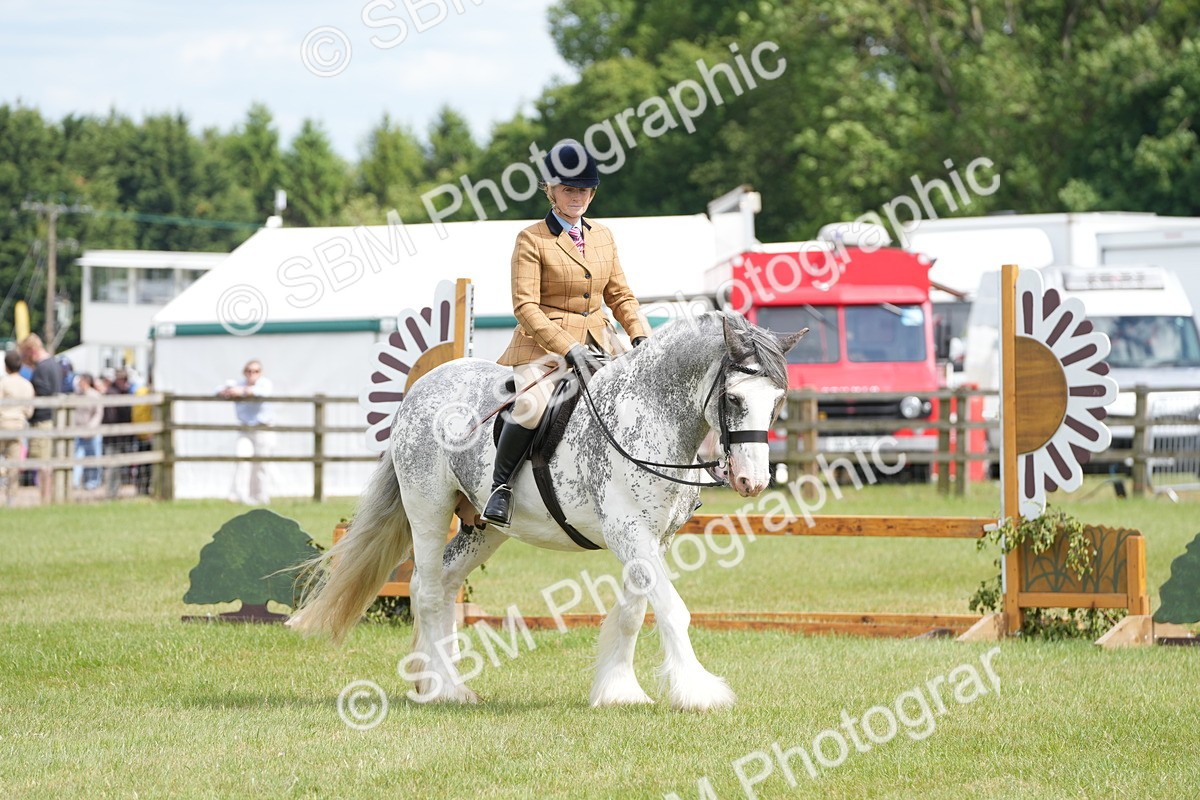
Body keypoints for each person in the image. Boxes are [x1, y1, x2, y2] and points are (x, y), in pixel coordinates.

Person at [483, 139, 649, 527]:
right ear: (551, 191)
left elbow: (620, 294)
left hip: (601, 340)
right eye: (568, 189)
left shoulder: (603, 236)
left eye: (584, 190)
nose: (577, 197)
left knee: (646, 394)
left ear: (592, 193)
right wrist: (568, 348)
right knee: (530, 406)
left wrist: (639, 335)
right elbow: (526, 307)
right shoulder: (532, 239)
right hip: (543, 346)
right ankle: (500, 487)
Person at [218, 359, 273, 505]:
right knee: (242, 458)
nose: (252, 374)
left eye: (256, 371)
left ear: (260, 373)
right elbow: (217, 391)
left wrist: (241, 392)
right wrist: (227, 391)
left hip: (263, 428)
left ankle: (261, 496)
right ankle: (239, 495)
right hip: (245, 429)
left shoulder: (264, 384)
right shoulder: (238, 384)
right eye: (249, 371)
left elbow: (262, 392)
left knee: (261, 464)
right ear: (244, 372)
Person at [18, 334, 62, 501]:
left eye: (25, 354)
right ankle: (47, 496)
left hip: (43, 420)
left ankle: (45, 497)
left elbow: (44, 393)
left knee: (43, 464)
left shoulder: (42, 368)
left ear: (31, 351)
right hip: (51, 419)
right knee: (47, 462)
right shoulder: (54, 364)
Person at [1, 350, 34, 504]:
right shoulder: (27, 385)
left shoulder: (3, 383)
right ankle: (11, 499)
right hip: (18, 426)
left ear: (6, 366)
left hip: (2, 424)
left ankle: (2, 470)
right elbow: (29, 410)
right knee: (14, 463)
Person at [102, 368, 134, 498]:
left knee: (119, 466)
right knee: (112, 466)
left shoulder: (125, 392)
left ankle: (116, 492)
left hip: (123, 436)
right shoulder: (112, 393)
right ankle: (110, 493)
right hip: (113, 436)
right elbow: (110, 418)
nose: (124, 381)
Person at [73, 374, 104, 490]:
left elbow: (98, 414)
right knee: (77, 457)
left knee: (94, 458)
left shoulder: (95, 395)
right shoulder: (77, 395)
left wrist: (90, 428)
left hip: (92, 432)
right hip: (79, 431)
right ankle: (75, 482)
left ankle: (93, 482)